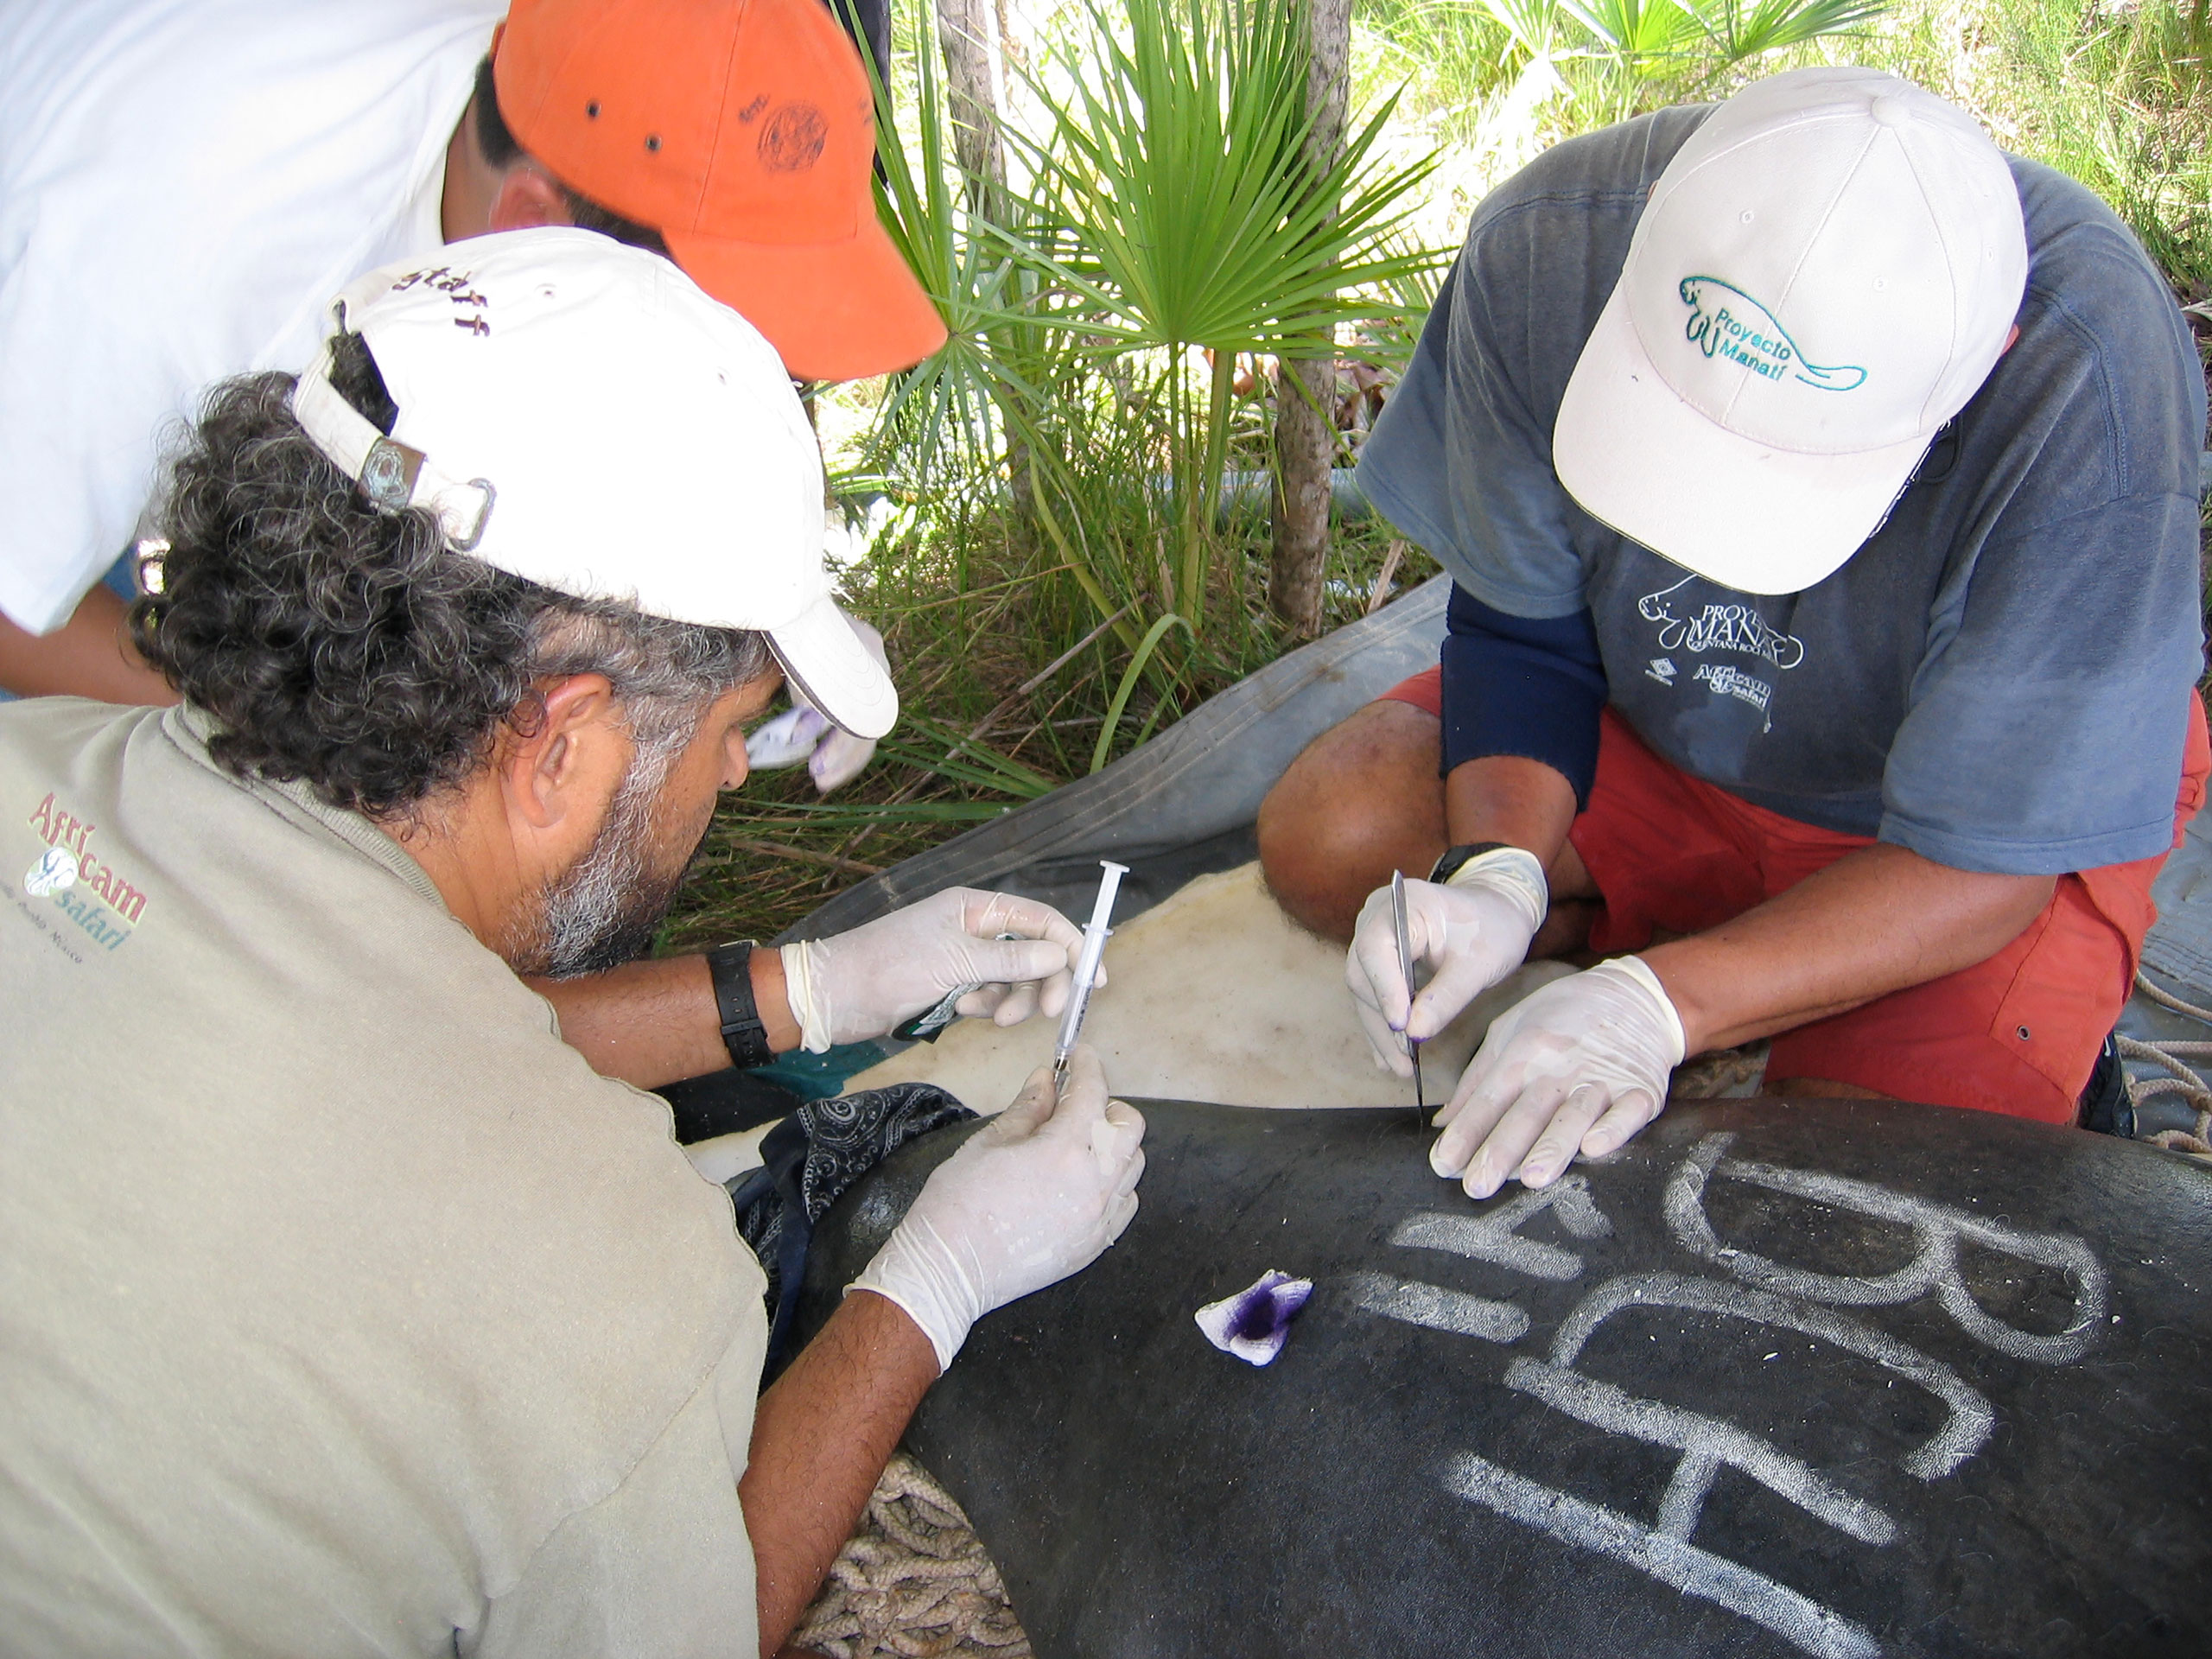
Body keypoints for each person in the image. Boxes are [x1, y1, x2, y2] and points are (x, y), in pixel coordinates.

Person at [0, 230, 1141, 1656]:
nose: (733, 781)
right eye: (737, 733)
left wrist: (810, 989)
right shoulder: (611, 1294)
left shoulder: (40, 784)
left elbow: (374, 1045)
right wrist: (932, 1286)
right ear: (561, 749)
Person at [1257, 68, 2208, 1200]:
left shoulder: (2089, 379)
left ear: (1988, 355)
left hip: (1928, 834)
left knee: (1857, 1185)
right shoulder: (1546, 246)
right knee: (1334, 838)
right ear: (1646, 242)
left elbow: (1989, 863)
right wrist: (1497, 873)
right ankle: (1717, 953)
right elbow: (1522, 632)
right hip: (1654, 716)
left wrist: (1656, 1006)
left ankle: (1741, 972)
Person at [0, 0, 944, 705]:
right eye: (696, 325)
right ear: (532, 222)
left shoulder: (570, 65)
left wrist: (771, 605)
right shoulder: (175, 270)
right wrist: (275, 774)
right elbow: (14, 609)